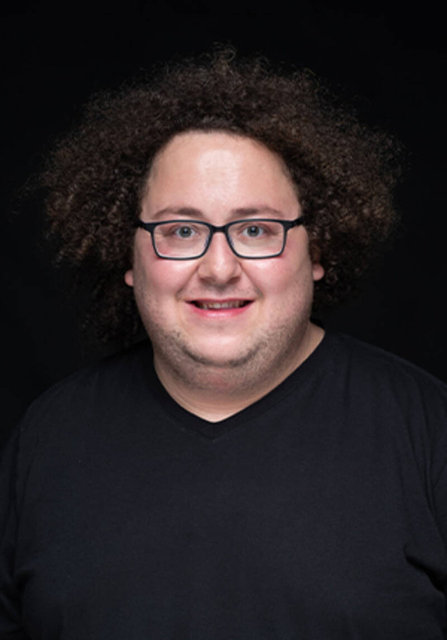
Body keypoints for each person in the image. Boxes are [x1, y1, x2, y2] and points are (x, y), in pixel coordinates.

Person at [1, 49, 446, 639]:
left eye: (256, 229)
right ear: (127, 256)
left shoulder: (429, 432)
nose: (218, 268)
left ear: (318, 250)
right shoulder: (47, 439)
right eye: (181, 230)